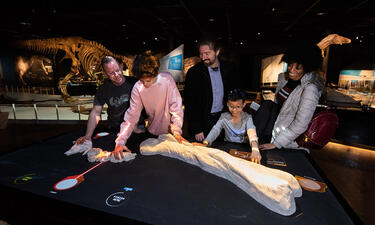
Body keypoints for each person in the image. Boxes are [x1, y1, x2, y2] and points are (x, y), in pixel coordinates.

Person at [113, 51, 186, 159]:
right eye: (142, 81)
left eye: (149, 80)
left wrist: (176, 130)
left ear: (156, 72)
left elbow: (176, 107)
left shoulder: (167, 80)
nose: (146, 84)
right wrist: (121, 140)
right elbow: (131, 117)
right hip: (152, 132)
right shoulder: (138, 88)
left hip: (172, 134)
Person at [256, 42, 325, 153]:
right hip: (270, 130)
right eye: (290, 65)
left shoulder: (310, 89)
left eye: (297, 68)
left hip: (284, 140)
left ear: (307, 68)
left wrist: (277, 143)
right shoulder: (285, 79)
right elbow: (279, 106)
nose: (292, 70)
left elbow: (301, 123)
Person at [184, 36, 239, 142]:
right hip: (203, 123)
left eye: (207, 53)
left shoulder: (230, 68)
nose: (203, 57)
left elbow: (236, 95)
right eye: (201, 54)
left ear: (217, 52)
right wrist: (196, 128)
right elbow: (190, 103)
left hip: (223, 120)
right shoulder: (194, 72)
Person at [75, 56, 138, 145]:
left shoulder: (135, 83)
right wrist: (88, 135)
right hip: (114, 129)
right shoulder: (103, 89)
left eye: (117, 70)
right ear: (104, 73)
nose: (116, 75)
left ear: (121, 66)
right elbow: (96, 112)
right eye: (111, 73)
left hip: (135, 129)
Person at [199, 89, 261, 164]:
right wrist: (206, 142)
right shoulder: (224, 117)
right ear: (227, 104)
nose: (234, 110)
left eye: (238, 107)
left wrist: (255, 149)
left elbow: (252, 133)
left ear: (244, 105)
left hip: (242, 148)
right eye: (231, 106)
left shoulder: (248, 118)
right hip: (228, 147)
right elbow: (215, 130)